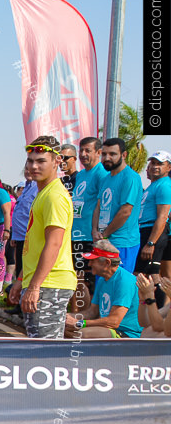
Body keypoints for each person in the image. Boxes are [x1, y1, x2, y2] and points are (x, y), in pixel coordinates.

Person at [10, 136, 77, 339]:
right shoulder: (43, 192)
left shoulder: (54, 196)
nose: (34, 166)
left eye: (41, 161)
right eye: (31, 161)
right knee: (41, 348)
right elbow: (35, 245)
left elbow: (54, 243)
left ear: (57, 161)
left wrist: (34, 286)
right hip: (44, 281)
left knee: (45, 352)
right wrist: (22, 279)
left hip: (50, 282)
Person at [65, 239, 141, 339]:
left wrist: (79, 323)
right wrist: (65, 317)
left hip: (126, 333)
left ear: (107, 262)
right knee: (64, 329)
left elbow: (114, 321)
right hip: (108, 328)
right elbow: (92, 312)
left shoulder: (124, 281)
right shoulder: (102, 279)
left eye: (93, 261)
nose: (89, 264)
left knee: (81, 334)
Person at [92, 137, 143, 270]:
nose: (107, 158)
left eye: (112, 154)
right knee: (103, 285)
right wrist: (94, 230)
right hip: (104, 241)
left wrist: (105, 234)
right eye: (104, 154)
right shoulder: (105, 179)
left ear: (124, 155)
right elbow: (98, 206)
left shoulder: (130, 177)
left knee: (120, 285)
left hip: (123, 242)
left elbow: (125, 211)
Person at [70, 137, 106, 312]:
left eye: (87, 151)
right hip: (75, 233)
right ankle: (76, 316)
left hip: (89, 236)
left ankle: (84, 319)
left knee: (86, 280)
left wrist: (96, 230)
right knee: (76, 278)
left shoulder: (101, 173)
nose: (83, 154)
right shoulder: (81, 174)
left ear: (98, 153)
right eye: (81, 150)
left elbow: (102, 204)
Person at [135, 151, 171, 305]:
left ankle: (157, 312)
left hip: (153, 232)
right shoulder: (154, 185)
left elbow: (163, 216)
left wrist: (151, 243)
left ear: (168, 167)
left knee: (140, 275)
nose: (155, 166)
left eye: (160, 163)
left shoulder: (164, 185)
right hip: (147, 230)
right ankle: (159, 313)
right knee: (154, 275)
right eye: (153, 163)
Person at [6, 166, 39, 312]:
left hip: (29, 237)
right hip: (19, 236)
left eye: (30, 168)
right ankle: (19, 303)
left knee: (27, 272)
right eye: (26, 168)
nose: (28, 171)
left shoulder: (37, 187)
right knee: (20, 270)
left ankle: (25, 305)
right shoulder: (26, 187)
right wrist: (14, 235)